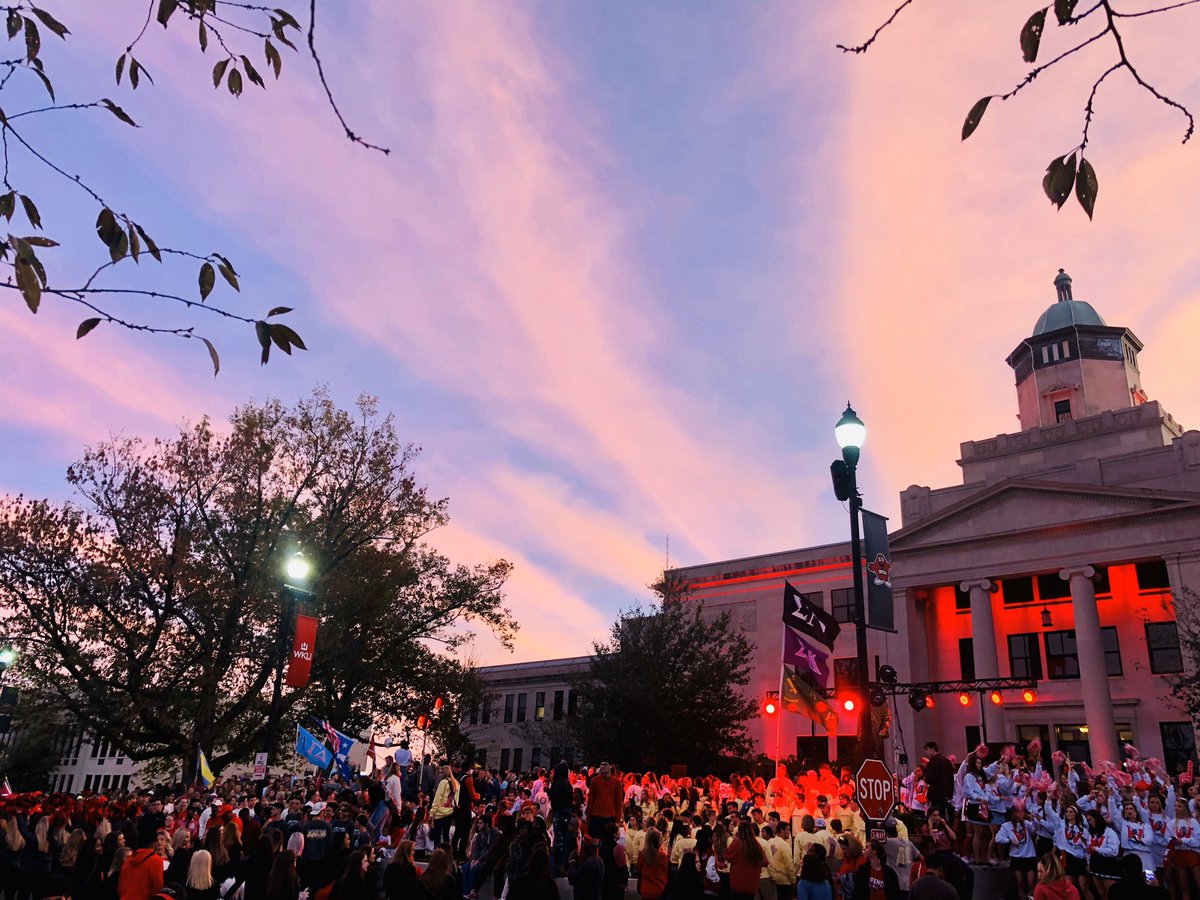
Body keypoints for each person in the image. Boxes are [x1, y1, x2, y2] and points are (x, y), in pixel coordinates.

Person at [120, 830, 166, 900]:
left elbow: (120, 888)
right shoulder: (156, 860)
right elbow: (157, 889)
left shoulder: (128, 861)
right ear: (154, 843)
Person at [725, 822, 765, 900]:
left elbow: (727, 856)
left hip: (738, 883)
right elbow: (764, 861)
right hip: (752, 884)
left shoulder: (737, 842)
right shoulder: (756, 844)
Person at [921, 745, 954, 821]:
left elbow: (928, 778)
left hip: (936, 794)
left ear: (932, 749)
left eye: (927, 750)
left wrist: (925, 777)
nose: (926, 753)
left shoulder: (933, 761)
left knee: (936, 816)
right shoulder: (947, 761)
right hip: (947, 794)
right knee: (943, 815)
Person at [431, 766, 460, 847]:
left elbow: (437, 798)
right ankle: (446, 851)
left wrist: (432, 812)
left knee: (437, 836)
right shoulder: (457, 783)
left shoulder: (443, 782)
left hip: (439, 812)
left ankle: (437, 851)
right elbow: (456, 800)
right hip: (450, 812)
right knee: (446, 835)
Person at [638, 829, 669, 900]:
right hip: (660, 889)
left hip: (646, 890)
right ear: (657, 841)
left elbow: (640, 869)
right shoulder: (662, 856)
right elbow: (665, 870)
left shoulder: (642, 854)